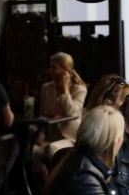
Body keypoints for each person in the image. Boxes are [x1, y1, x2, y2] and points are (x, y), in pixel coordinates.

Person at [33, 52, 88, 182]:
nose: (50, 71)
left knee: (52, 149)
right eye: (50, 67)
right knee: (32, 151)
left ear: (65, 70)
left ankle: (61, 186)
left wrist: (65, 91)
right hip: (50, 137)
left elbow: (72, 113)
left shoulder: (79, 90)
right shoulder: (46, 88)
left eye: (54, 67)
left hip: (70, 137)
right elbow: (43, 115)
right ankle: (48, 186)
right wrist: (40, 134)